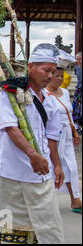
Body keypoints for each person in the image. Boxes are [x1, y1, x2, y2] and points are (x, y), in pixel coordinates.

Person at [0, 43, 65, 244]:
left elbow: (51, 138)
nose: (50, 76)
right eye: (46, 70)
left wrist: (57, 165)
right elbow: (10, 128)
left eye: (53, 71)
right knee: (4, 225)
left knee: (50, 229)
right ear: (30, 67)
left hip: (41, 173)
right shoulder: (10, 93)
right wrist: (32, 154)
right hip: (12, 172)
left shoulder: (50, 101)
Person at [47, 66, 82, 213]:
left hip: (66, 133)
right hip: (52, 136)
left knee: (72, 167)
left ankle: (75, 199)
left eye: (62, 76)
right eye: (57, 76)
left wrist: (74, 132)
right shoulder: (44, 94)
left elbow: (69, 114)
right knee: (51, 167)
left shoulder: (66, 93)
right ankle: (46, 199)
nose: (60, 79)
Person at [72, 52, 82, 133]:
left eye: (81, 59)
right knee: (76, 108)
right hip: (79, 90)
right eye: (78, 59)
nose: (79, 61)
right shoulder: (76, 68)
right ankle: (77, 126)